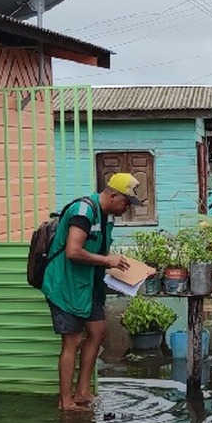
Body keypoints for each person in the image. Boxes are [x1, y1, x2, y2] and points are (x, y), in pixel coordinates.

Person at [41, 173, 139, 410]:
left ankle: (83, 392)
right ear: (113, 195)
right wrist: (107, 262)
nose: (127, 208)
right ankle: (66, 401)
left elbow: (101, 254)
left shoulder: (106, 218)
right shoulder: (83, 211)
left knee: (98, 331)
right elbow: (73, 251)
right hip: (65, 284)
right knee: (72, 340)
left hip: (87, 284)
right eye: (126, 202)